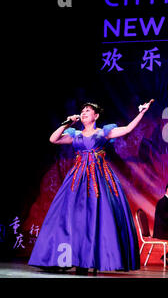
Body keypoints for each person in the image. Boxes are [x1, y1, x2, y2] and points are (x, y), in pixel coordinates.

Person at [28, 100, 153, 275]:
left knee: (99, 216)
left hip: (100, 179)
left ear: (96, 116)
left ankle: (94, 258)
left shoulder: (104, 132)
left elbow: (127, 129)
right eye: (83, 110)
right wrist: (67, 123)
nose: (84, 112)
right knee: (74, 218)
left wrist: (142, 112)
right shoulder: (75, 134)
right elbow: (53, 139)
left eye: (88, 110)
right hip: (77, 179)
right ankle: (72, 257)